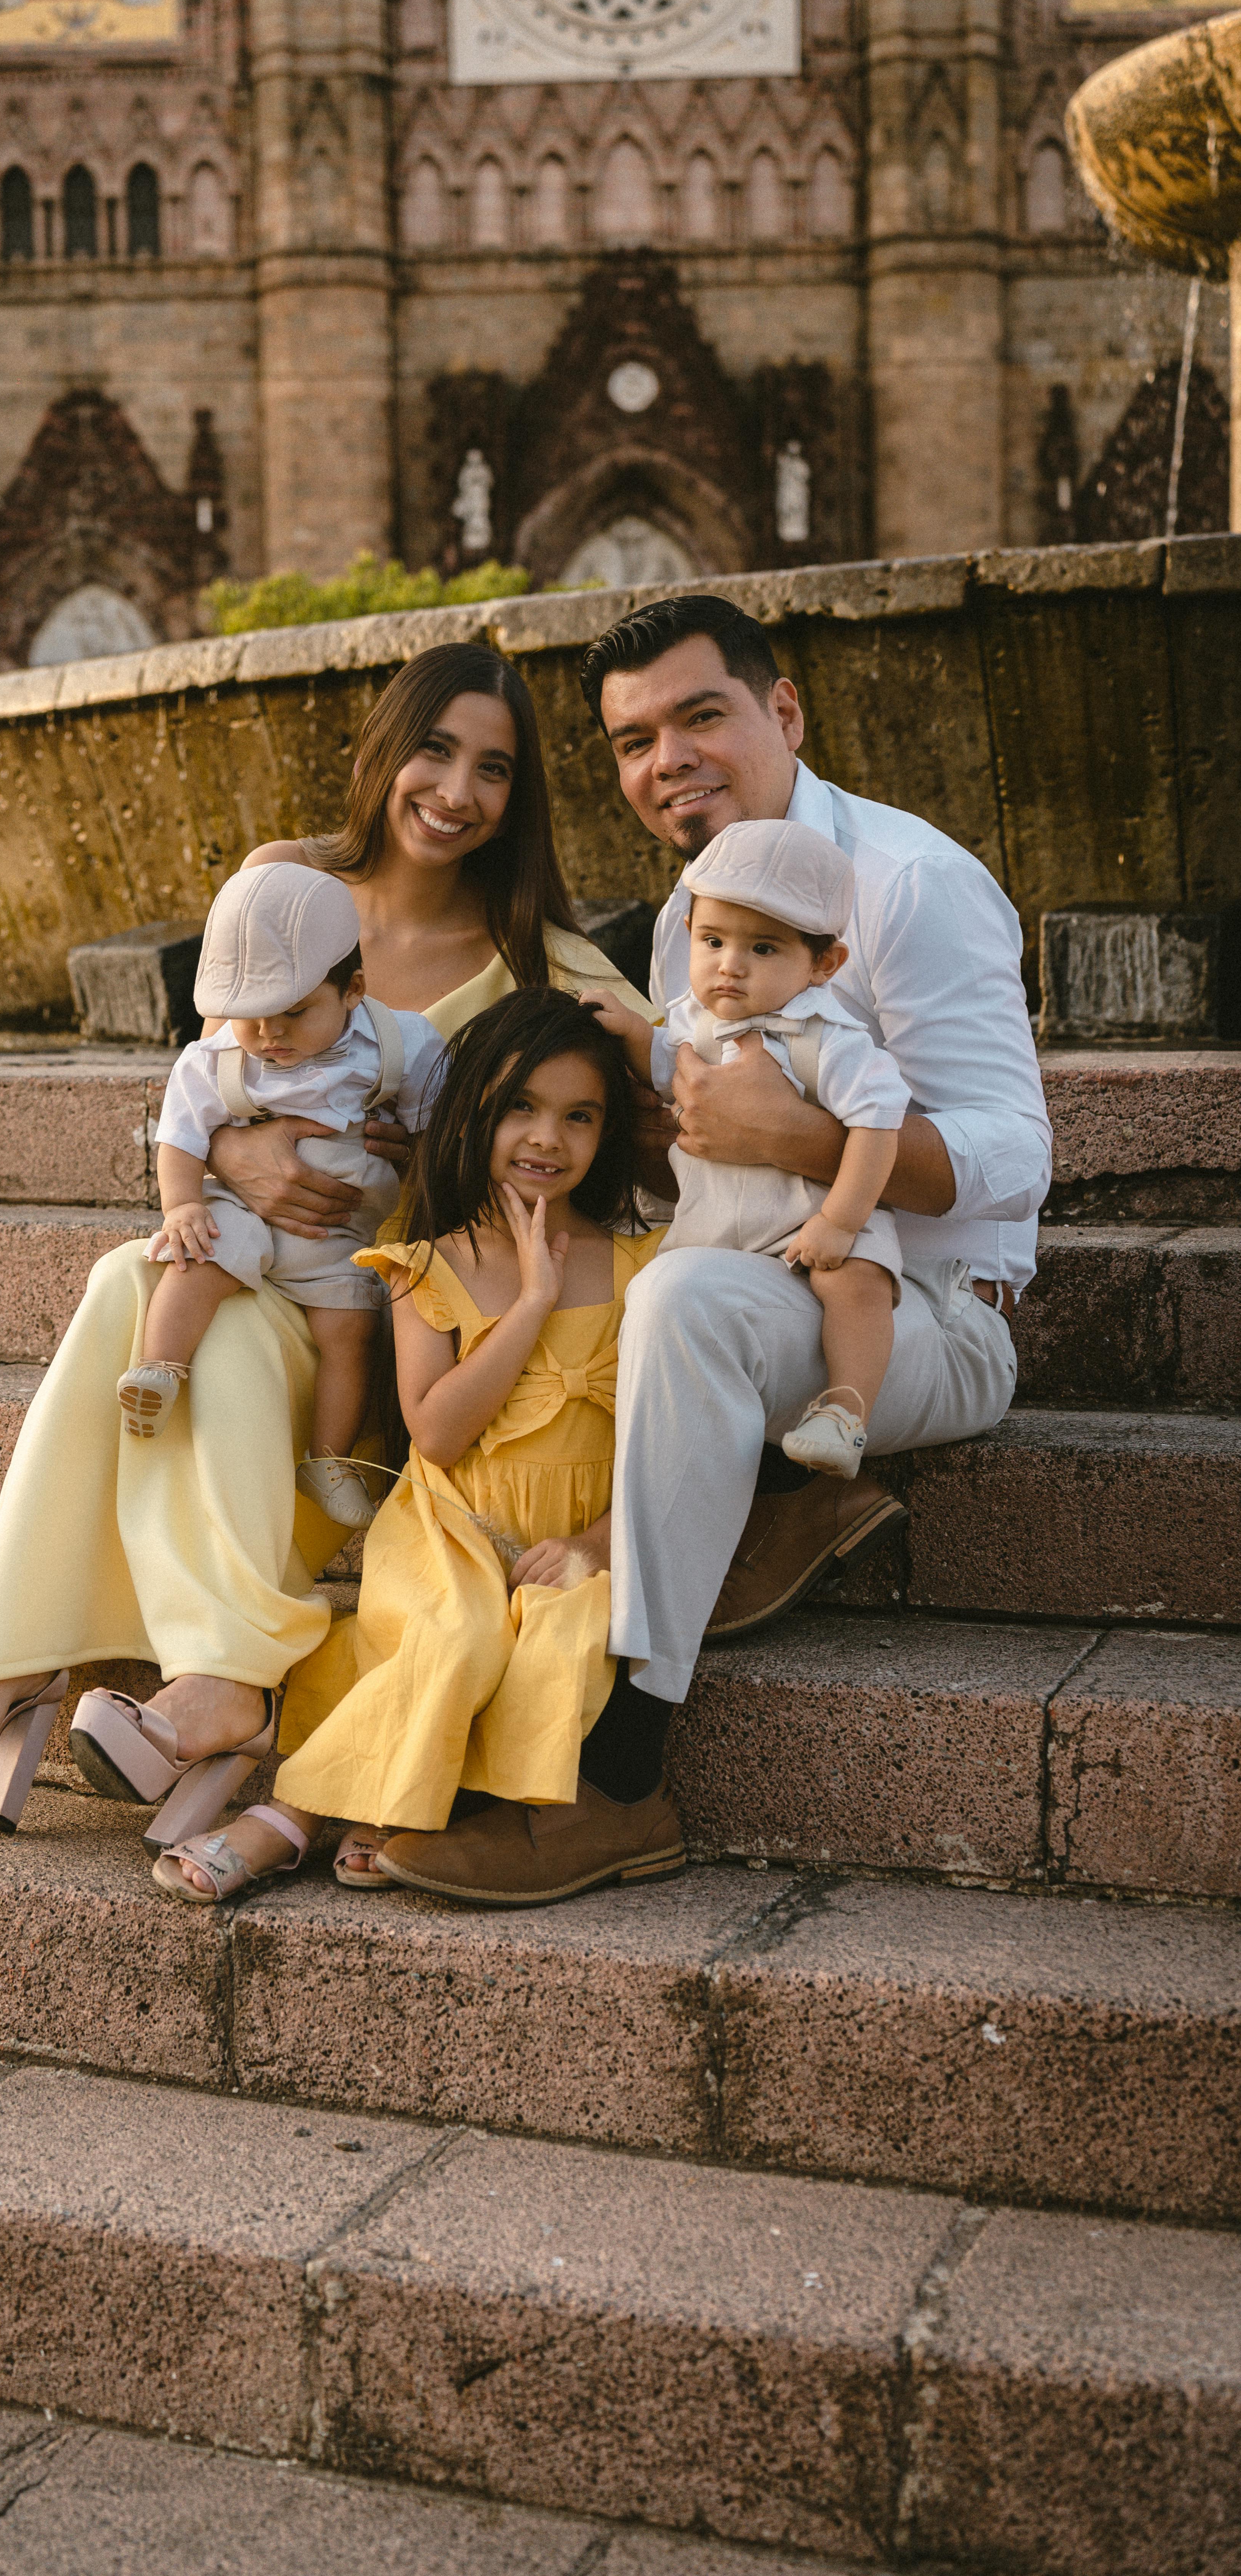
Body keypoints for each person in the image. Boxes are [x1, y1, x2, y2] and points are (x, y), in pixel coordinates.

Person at [0, 641, 658, 1846]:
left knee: (167, 1308)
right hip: (255, 1266)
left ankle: (27, 1671)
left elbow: (650, 1121)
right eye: (435, 749)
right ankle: (185, 1683)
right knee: (137, 1281)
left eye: (495, 769)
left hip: (384, 1329)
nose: (458, 792)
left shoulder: (543, 965)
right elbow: (208, 1086)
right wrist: (245, 1160)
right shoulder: (280, 884)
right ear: (383, 750)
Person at [385, 591, 1052, 1906]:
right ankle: (763, 1490)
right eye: (632, 741)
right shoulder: (688, 909)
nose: (665, 760)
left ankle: (616, 1786)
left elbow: (1019, 1154)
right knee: (634, 1279)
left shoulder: (909, 881)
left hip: (927, 1311)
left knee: (683, 1292)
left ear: (783, 711)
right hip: (757, 1290)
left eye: (700, 716)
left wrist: (805, 1134)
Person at [150, 990, 680, 1906]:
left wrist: (596, 1545)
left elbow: (667, 1446)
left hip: (579, 1534)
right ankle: (286, 1822)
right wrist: (529, 1308)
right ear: (470, 1110)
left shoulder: (647, 1269)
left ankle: (410, 1812)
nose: (544, 1137)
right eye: (519, 1106)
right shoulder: (422, 1266)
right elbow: (434, 1432)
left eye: (578, 1116)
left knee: (561, 1637)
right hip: (451, 1525)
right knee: (454, 1633)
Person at [119, 859, 444, 1532]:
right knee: (198, 1257)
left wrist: (424, 1153)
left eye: (295, 1012)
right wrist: (182, 1203)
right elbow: (179, 1134)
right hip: (246, 1212)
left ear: (352, 988)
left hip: (339, 1237)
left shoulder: (396, 1045)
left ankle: (327, 1460)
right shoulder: (216, 1061)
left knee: (351, 1334)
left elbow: (439, 1120)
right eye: (251, 1018)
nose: (270, 1036)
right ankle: (160, 1368)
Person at [585, 815, 912, 1480]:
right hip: (720, 1232)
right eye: (713, 941)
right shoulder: (691, 1024)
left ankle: (845, 1412)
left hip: (815, 1220)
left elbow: (881, 1127)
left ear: (824, 963)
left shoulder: (829, 1039)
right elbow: (665, 1066)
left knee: (856, 1287)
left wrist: (841, 1220)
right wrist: (628, 1032)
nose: (730, 966)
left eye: (764, 950)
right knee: (656, 1295)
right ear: (689, 937)